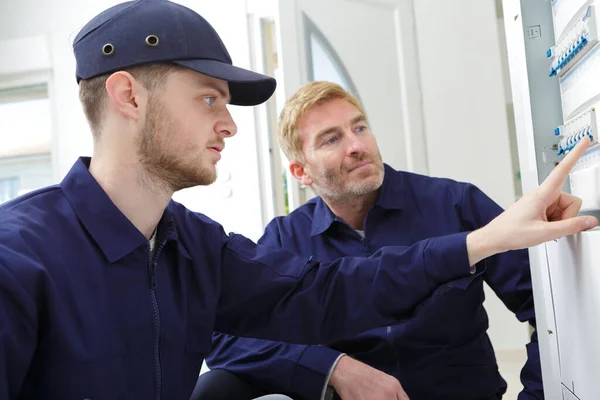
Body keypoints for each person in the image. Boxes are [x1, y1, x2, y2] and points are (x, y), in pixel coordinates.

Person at [0, 1, 594, 399]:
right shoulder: (18, 258)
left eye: (359, 127)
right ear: (128, 95)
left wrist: (486, 239)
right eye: (210, 98)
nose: (229, 125)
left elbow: (330, 294)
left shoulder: (193, 245)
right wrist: (331, 371)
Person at [199, 81, 588, 400]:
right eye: (331, 139)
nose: (357, 145)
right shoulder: (285, 237)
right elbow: (224, 339)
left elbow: (548, 305)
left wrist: (535, 396)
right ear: (301, 171)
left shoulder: (456, 203)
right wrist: (332, 369)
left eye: (359, 127)